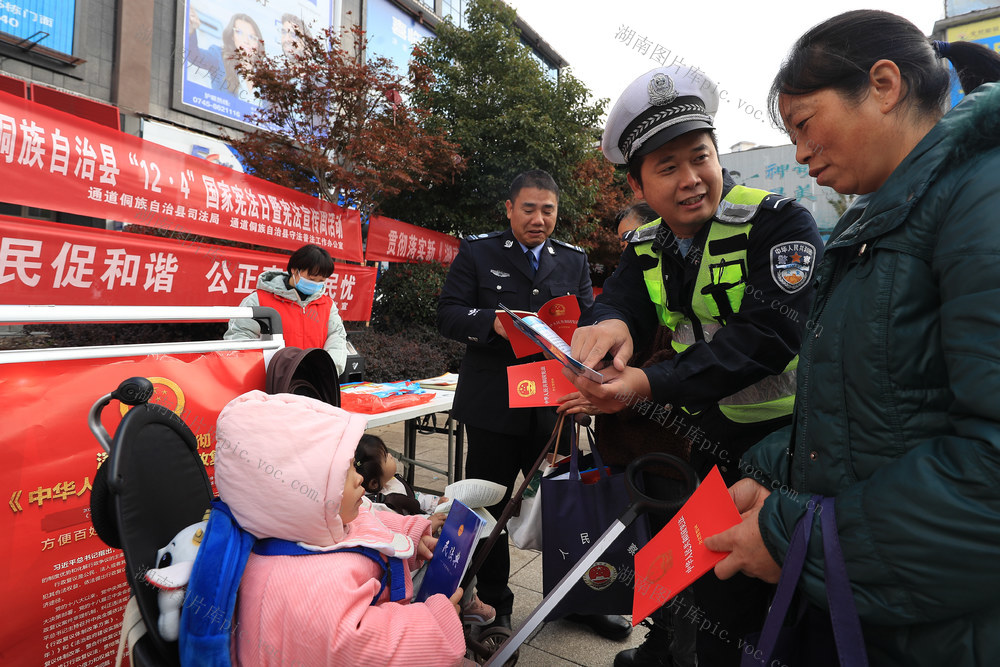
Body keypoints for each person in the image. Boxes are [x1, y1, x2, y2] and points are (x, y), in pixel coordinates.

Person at [702, 10, 1000, 666]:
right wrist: (773, 473)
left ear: (885, 84)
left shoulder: (982, 197)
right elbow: (879, 410)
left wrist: (793, 538)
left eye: (805, 125)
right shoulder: (882, 219)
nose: (802, 155)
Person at [563, 66, 823, 667]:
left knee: (778, 604)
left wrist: (646, 383)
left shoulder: (779, 222)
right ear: (639, 184)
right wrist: (609, 326)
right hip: (705, 445)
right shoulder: (648, 243)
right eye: (667, 167)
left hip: (788, 447)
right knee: (709, 594)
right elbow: (618, 299)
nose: (690, 180)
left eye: (699, 157)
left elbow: (770, 334)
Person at [438, 170, 632, 640]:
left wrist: (591, 383)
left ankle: (579, 598)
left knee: (572, 503)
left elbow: (590, 320)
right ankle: (494, 605)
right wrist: (494, 323)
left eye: (548, 210)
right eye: (529, 209)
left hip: (555, 402)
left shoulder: (572, 260)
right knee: (492, 507)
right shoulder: (479, 251)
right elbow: (447, 313)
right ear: (509, 209)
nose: (539, 219)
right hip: (494, 404)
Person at [213, 390, 467, 666]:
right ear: (302, 491)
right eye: (344, 473)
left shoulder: (307, 524)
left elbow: (364, 520)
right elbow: (366, 648)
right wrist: (436, 625)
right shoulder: (307, 588)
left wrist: (408, 535)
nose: (360, 477)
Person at [354, 433, 497, 627]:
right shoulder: (375, 506)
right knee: (458, 551)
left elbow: (415, 498)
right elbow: (394, 530)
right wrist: (427, 521)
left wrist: (435, 502)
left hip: (419, 546)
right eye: (386, 456)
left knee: (459, 547)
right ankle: (468, 601)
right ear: (373, 484)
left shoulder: (392, 483)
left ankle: (469, 598)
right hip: (407, 571)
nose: (391, 456)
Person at [225, 244, 348, 376]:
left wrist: (327, 369)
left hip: (313, 381)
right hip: (268, 381)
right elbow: (239, 337)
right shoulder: (259, 300)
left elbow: (337, 336)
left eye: (321, 280)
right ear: (295, 270)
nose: (316, 284)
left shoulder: (327, 305)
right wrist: (263, 371)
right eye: (312, 279)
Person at [187, 8, 264, 102]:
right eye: (239, 32)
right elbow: (194, 56)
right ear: (232, 36)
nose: (246, 41)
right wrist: (190, 29)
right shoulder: (219, 57)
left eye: (252, 37)